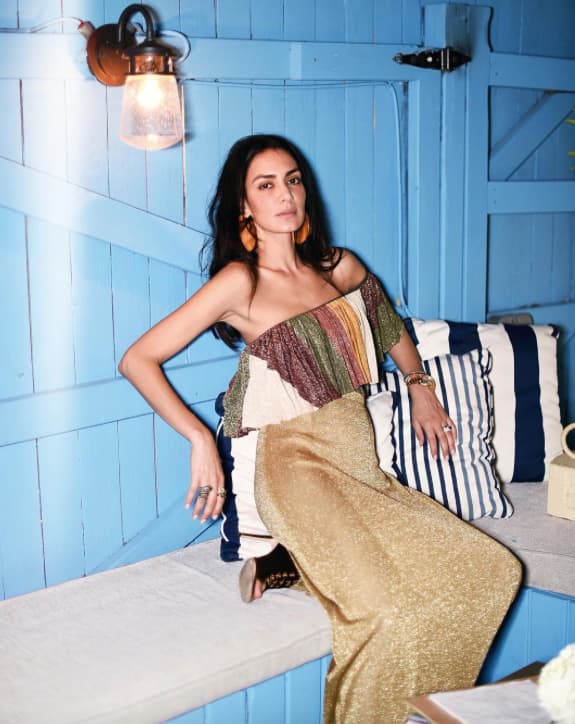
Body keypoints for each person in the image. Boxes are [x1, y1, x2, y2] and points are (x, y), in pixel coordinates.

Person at [119, 134, 521, 723]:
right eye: (266, 185)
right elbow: (138, 359)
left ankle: (294, 571)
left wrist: (420, 386)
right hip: (298, 467)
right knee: (383, 612)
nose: (285, 195)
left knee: (493, 571)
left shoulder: (338, 267)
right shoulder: (241, 283)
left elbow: (385, 322)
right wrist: (200, 438)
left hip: (361, 466)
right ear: (244, 207)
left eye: (293, 180)